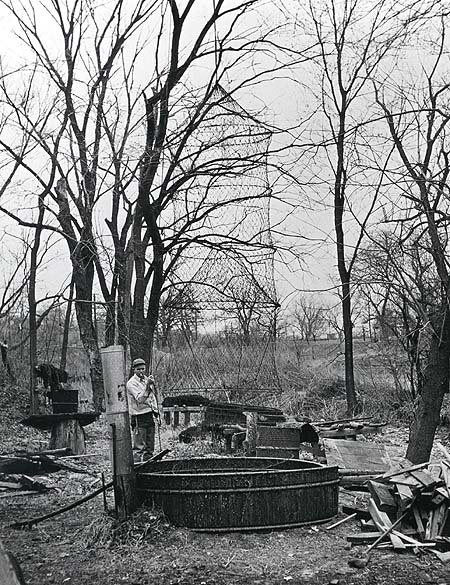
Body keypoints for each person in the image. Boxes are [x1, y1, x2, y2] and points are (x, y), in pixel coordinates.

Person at [126, 358, 161, 462]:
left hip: (149, 414)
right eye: (139, 369)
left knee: (150, 447)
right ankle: (137, 468)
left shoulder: (146, 379)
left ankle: (149, 466)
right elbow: (140, 399)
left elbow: (153, 397)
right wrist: (147, 387)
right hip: (138, 416)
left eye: (143, 369)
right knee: (139, 447)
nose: (141, 372)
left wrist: (157, 414)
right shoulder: (131, 383)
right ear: (134, 370)